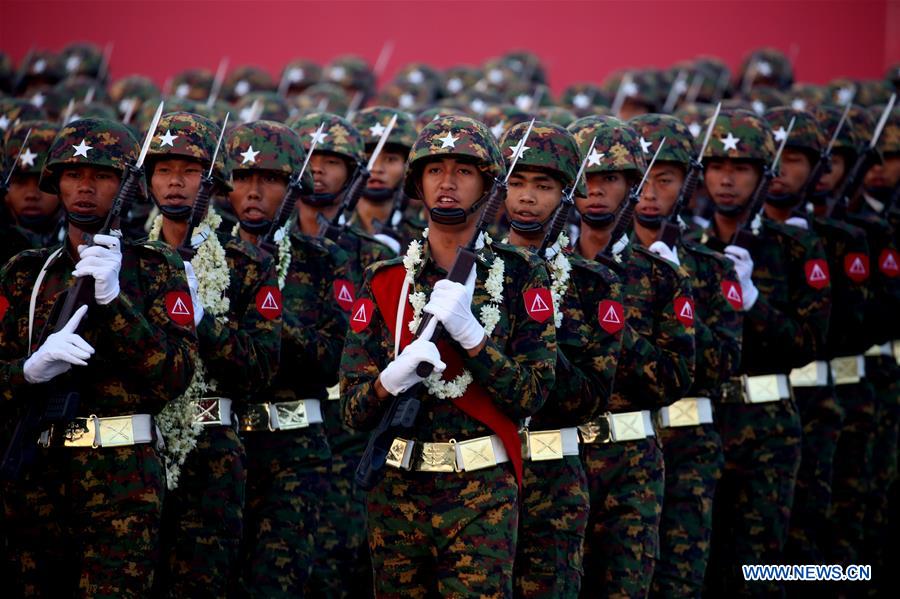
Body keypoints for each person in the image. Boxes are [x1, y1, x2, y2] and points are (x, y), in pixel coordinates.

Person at [340, 115, 557, 597]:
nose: (448, 183)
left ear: (486, 184)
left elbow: (534, 393)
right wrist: (388, 382)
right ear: (418, 183)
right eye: (436, 170)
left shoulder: (523, 275)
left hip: (483, 493)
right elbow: (352, 411)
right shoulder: (383, 280)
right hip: (396, 492)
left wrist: (474, 339)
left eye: (463, 170)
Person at [1, 116, 197, 596]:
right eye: (73, 175)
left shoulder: (157, 269)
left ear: (126, 185)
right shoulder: (25, 274)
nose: (85, 187)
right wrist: (28, 371)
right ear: (57, 182)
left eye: (103, 176)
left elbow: (175, 375)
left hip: (123, 480)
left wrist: (116, 304)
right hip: (36, 476)